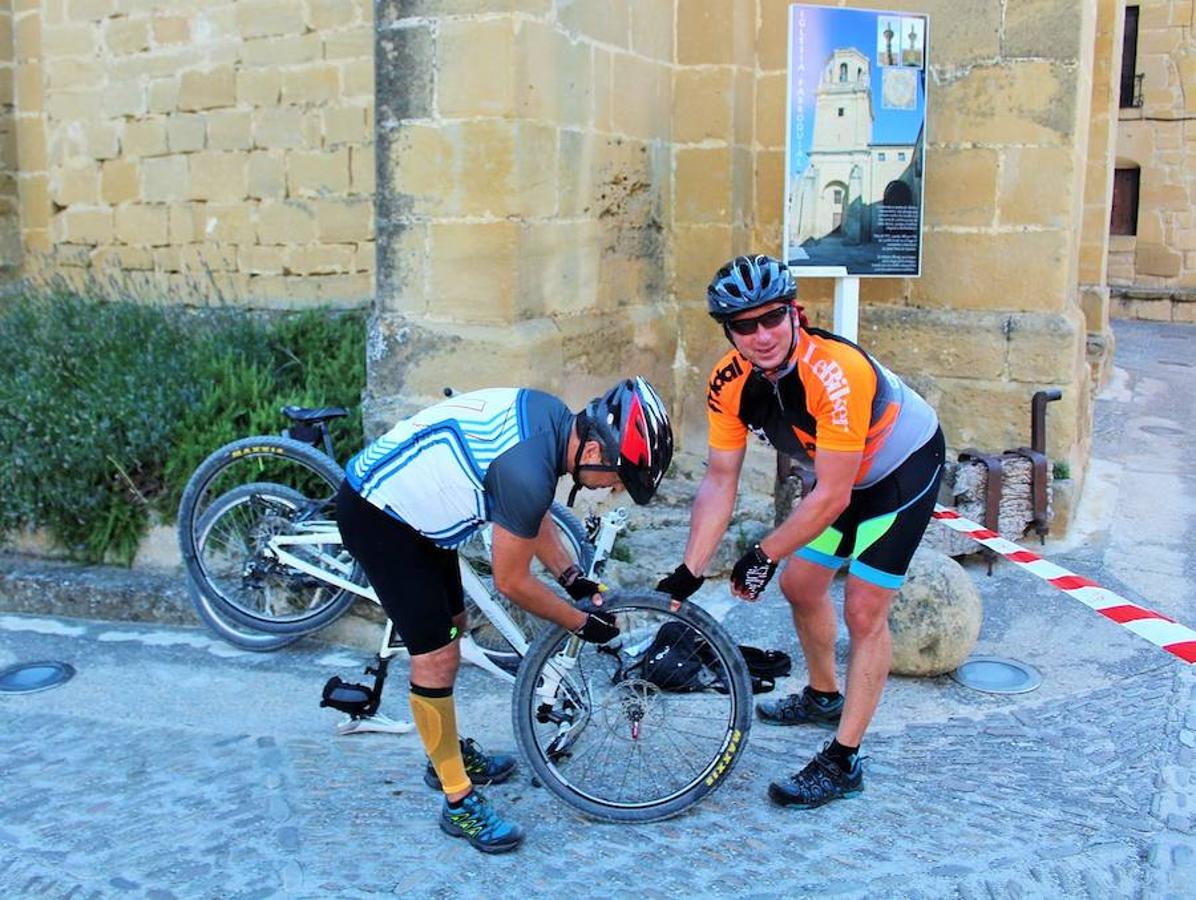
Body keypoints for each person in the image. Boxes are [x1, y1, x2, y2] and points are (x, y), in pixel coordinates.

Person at [334, 378, 672, 853]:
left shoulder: (552, 424)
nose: (614, 487)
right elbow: (512, 582)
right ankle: (458, 801)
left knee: (454, 631)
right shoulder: (528, 469)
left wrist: (572, 576)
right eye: (620, 476)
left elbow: (528, 515)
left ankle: (443, 755)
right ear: (595, 448)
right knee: (435, 658)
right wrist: (579, 622)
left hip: (419, 521)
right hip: (381, 517)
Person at [656, 254, 944, 810]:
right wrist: (691, 569)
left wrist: (762, 552)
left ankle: (843, 760)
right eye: (744, 325)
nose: (760, 336)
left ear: (797, 314)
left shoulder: (835, 373)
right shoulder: (728, 381)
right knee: (801, 586)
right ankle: (823, 695)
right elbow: (720, 478)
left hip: (901, 469)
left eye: (771, 319)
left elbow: (832, 495)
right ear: (728, 331)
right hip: (842, 479)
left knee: (864, 609)